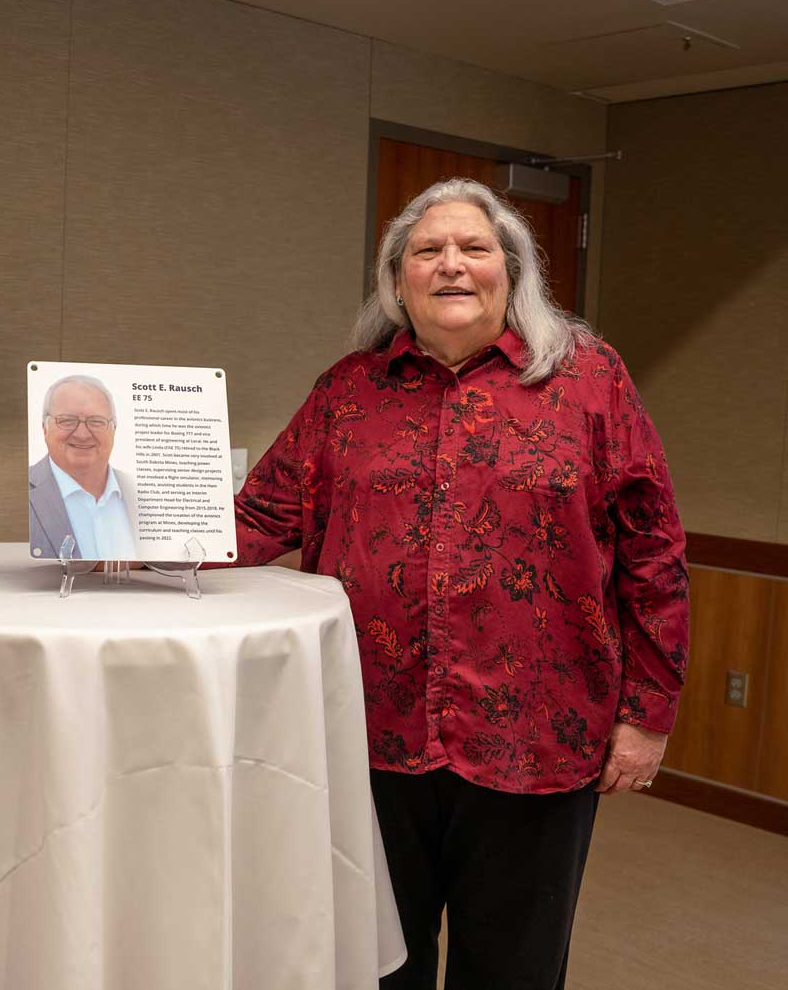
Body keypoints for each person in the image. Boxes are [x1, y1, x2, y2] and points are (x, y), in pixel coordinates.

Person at [233, 178, 688, 989]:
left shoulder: (590, 382)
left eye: (474, 248)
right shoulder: (348, 391)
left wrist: (647, 715)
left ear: (510, 272)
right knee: (373, 964)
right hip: (370, 736)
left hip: (540, 744)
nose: (451, 265)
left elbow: (654, 554)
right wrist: (123, 543)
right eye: (426, 252)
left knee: (513, 969)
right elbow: (259, 516)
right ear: (396, 280)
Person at [29, 374, 137, 560]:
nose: (82, 434)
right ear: (44, 428)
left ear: (114, 430)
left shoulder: (145, 493)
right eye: (67, 420)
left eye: (96, 421)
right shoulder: (18, 494)